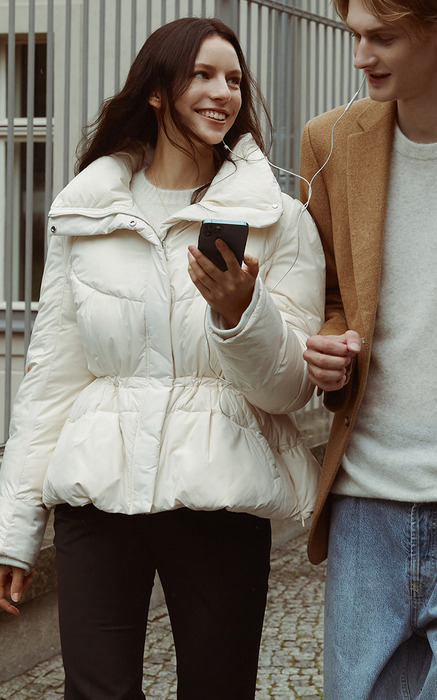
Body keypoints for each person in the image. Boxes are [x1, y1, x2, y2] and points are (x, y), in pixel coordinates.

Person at [0, 16, 324, 700]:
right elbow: (51, 378)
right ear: (156, 91)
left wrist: (239, 312)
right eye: (201, 74)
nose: (221, 92)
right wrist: (12, 532)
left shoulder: (277, 219)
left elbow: (291, 390)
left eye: (232, 78)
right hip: (96, 492)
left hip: (218, 495)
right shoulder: (86, 212)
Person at [300, 0, 437, 697]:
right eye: (355, 36)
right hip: (364, 501)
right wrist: (326, 344)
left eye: (382, 38)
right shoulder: (328, 143)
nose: (359, 57)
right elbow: (323, 293)